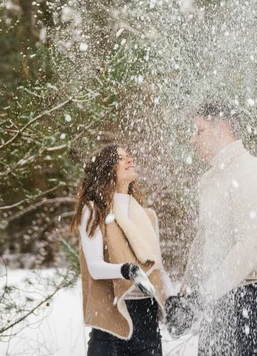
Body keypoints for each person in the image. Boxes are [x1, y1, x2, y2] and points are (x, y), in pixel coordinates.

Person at [171, 100, 257, 355]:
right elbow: (202, 241)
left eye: (199, 131)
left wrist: (202, 296)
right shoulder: (208, 181)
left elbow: (250, 247)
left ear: (221, 129)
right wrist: (186, 294)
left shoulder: (254, 172)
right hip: (219, 296)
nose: (193, 140)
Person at [70, 144, 174, 356]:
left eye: (129, 155)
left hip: (148, 326)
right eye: (120, 158)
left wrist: (173, 300)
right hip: (111, 324)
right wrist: (126, 271)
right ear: (105, 168)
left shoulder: (147, 217)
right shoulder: (93, 211)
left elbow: (158, 270)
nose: (129, 160)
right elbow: (95, 267)